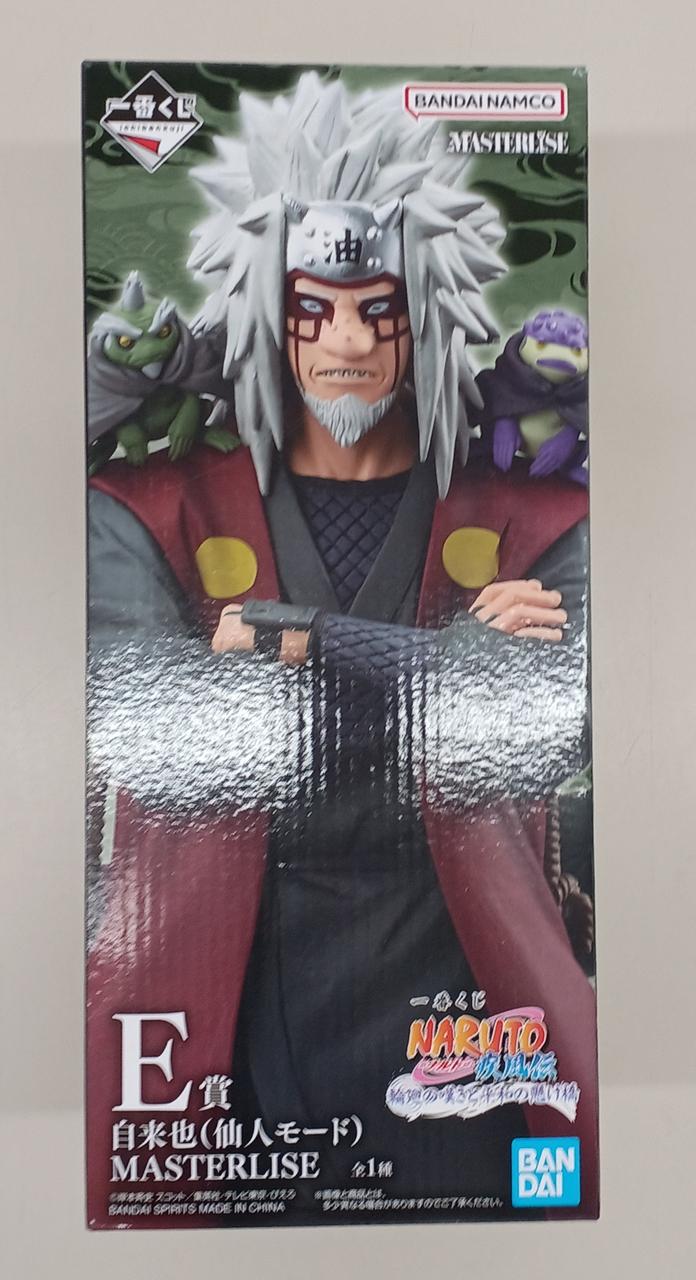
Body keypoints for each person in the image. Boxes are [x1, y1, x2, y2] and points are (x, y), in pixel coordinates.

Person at [86, 73, 596, 1224]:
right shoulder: (145, 504)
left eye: (381, 307)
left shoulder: (541, 511)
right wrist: (447, 664)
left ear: (432, 307)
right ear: (262, 312)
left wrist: (303, 638)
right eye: (313, 308)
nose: (351, 342)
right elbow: (160, 736)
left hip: (472, 991)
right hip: (223, 996)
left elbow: (543, 731)